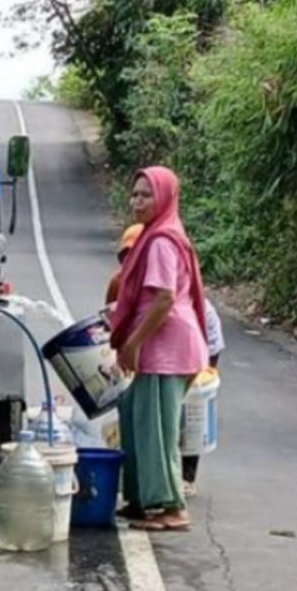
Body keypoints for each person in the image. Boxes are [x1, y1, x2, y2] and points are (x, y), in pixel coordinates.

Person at [109, 167, 208, 532]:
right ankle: (141, 500)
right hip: (160, 346)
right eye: (134, 194)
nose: (137, 202)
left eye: (146, 195)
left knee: (157, 429)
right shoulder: (154, 236)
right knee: (135, 416)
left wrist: (132, 344)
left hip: (166, 348)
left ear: (164, 198)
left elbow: (164, 299)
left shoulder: (162, 241)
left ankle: (170, 506)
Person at [183, 299, 224, 497]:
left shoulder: (203, 309)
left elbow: (212, 352)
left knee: (193, 407)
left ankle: (187, 476)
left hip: (199, 350)